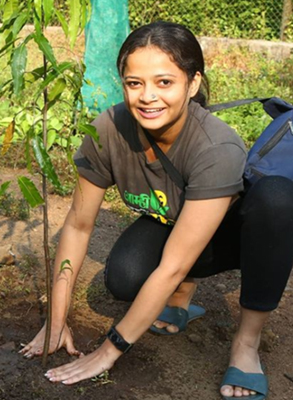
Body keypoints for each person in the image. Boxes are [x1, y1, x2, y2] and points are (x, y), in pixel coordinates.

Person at [19, 21, 293, 400]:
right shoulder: (107, 131)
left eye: (164, 82)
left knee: (278, 200)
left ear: (192, 83)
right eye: (135, 83)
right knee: (124, 277)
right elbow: (79, 226)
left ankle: (246, 343)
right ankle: (180, 299)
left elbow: (173, 264)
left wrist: (107, 351)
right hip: (175, 222)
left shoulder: (217, 146)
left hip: (235, 238)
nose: (148, 97)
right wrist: (56, 319)